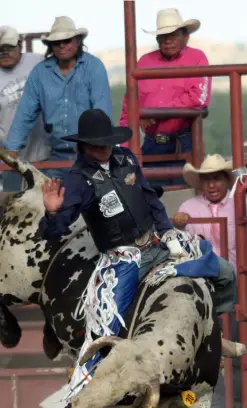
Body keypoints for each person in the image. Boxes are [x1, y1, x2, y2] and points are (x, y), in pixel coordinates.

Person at [39, 109, 245, 383]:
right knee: (106, 327)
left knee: (224, 272)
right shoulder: (77, 181)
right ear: (84, 146)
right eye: (98, 144)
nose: (104, 149)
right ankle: (90, 382)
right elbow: (56, 230)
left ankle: (213, 335)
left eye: (107, 142)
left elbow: (149, 198)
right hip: (121, 259)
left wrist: (167, 232)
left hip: (156, 242)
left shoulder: (125, 158)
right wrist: (52, 213)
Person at [4, 17, 112, 181]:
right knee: (52, 200)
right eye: (56, 42)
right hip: (56, 153)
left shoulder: (94, 67)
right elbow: (25, 113)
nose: (62, 45)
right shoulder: (40, 73)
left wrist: (101, 146)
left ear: (77, 41)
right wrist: (11, 149)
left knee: (98, 198)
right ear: (50, 46)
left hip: (90, 151)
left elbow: (102, 110)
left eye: (67, 40)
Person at [119, 8, 212, 193]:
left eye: (173, 35)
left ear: (185, 36)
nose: (168, 40)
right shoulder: (145, 62)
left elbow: (198, 99)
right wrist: (126, 148)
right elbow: (129, 105)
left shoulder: (197, 58)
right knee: (149, 197)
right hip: (152, 143)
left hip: (184, 141)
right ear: (157, 39)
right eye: (163, 36)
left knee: (185, 196)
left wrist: (156, 113)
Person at [0, 25, 49, 191]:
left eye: (9, 47)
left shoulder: (38, 62)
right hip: (9, 159)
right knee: (11, 205)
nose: (4, 52)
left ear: (20, 44)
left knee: (47, 204)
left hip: (44, 152)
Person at [173, 154, 238, 271]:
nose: (211, 185)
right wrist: (179, 221)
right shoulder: (187, 207)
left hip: (236, 275)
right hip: (201, 278)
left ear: (227, 180)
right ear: (201, 182)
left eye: (216, 178)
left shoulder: (241, 204)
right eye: (206, 180)